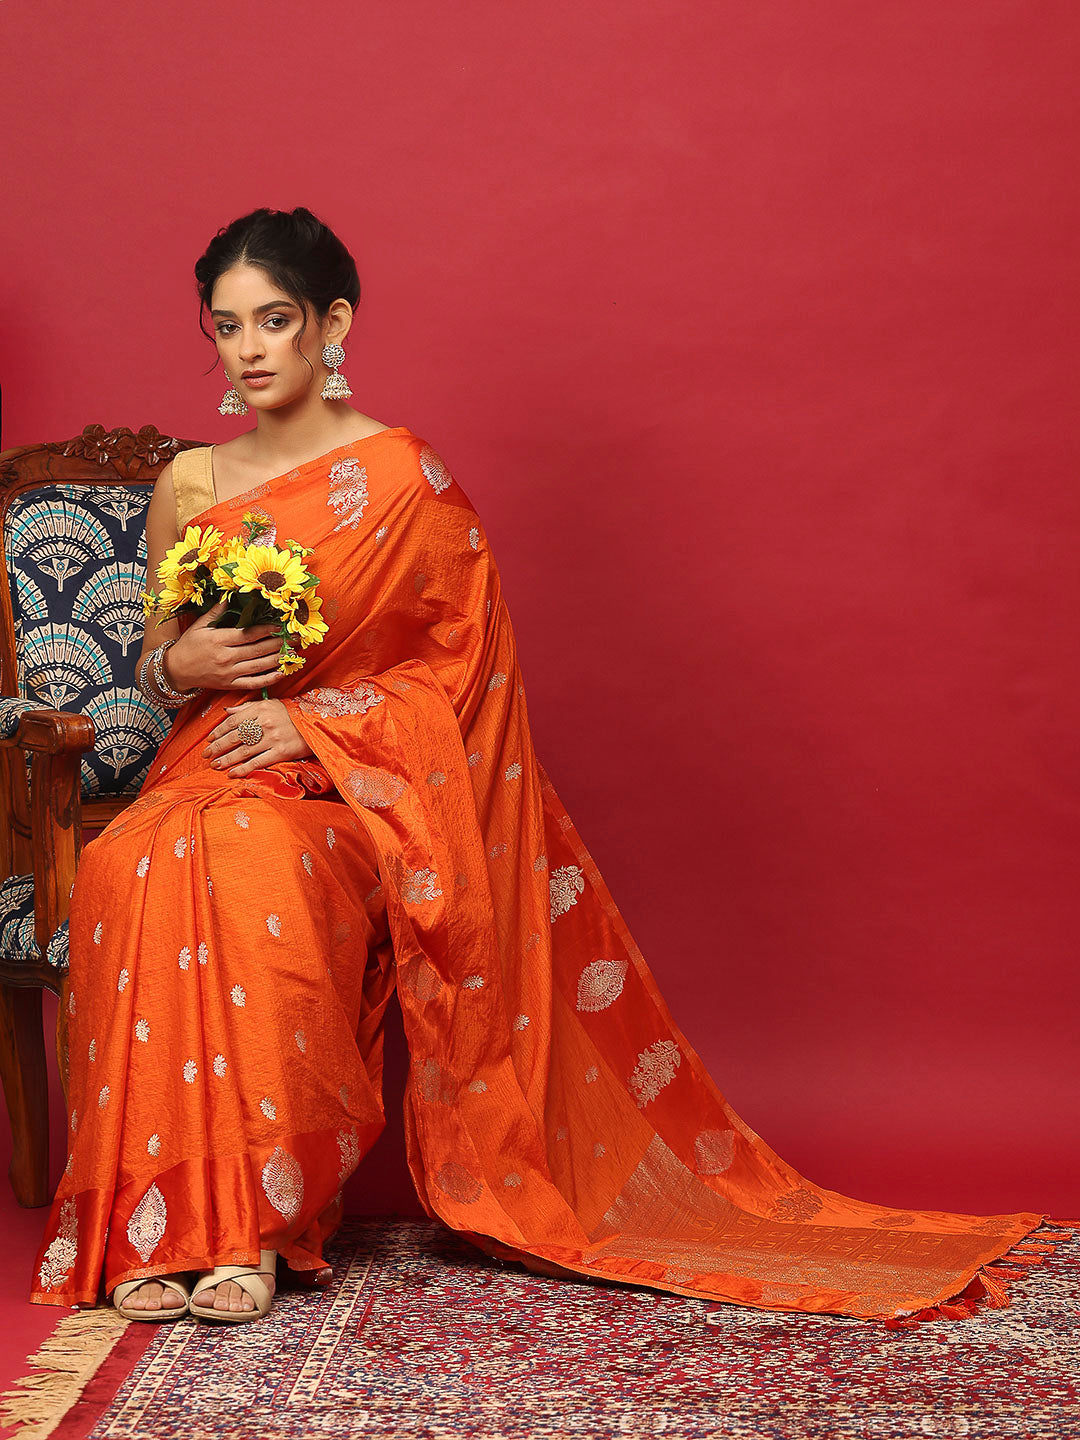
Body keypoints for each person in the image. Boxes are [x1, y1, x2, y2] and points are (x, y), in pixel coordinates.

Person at [29, 206, 1067, 1327]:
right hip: (207, 762)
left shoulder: (404, 478)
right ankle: (157, 1222)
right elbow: (158, 664)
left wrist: (313, 724)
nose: (248, 349)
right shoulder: (190, 483)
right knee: (140, 855)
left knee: (247, 858)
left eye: (273, 320)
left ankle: (252, 1230)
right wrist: (178, 662)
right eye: (225, 326)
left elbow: (463, 678)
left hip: (347, 789)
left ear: (333, 323)